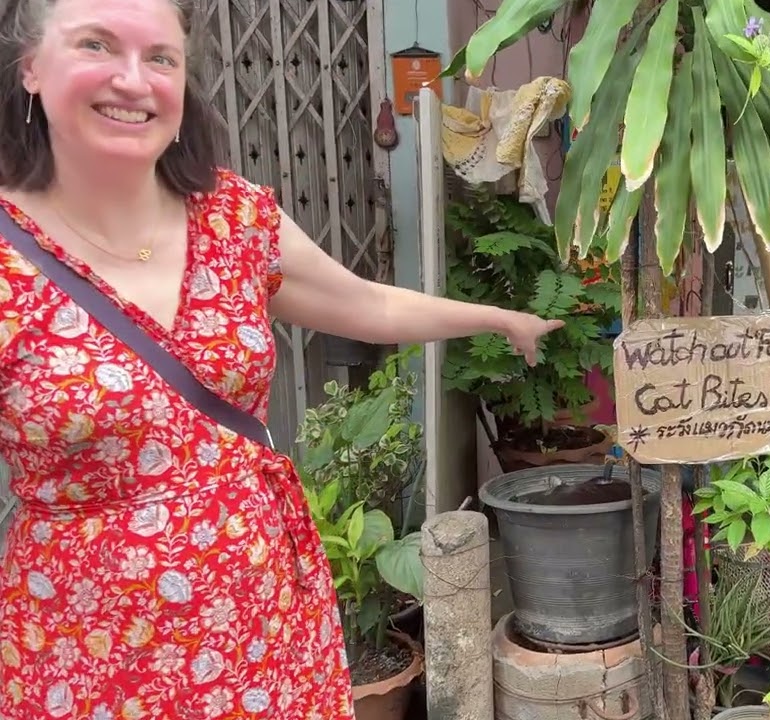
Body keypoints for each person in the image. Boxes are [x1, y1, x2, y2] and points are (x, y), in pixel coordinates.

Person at [0, 0, 562, 716]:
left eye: (160, 57)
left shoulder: (230, 219)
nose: (133, 80)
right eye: (96, 45)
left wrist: (497, 317)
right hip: (87, 648)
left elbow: (367, 304)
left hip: (262, 621)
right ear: (30, 67)